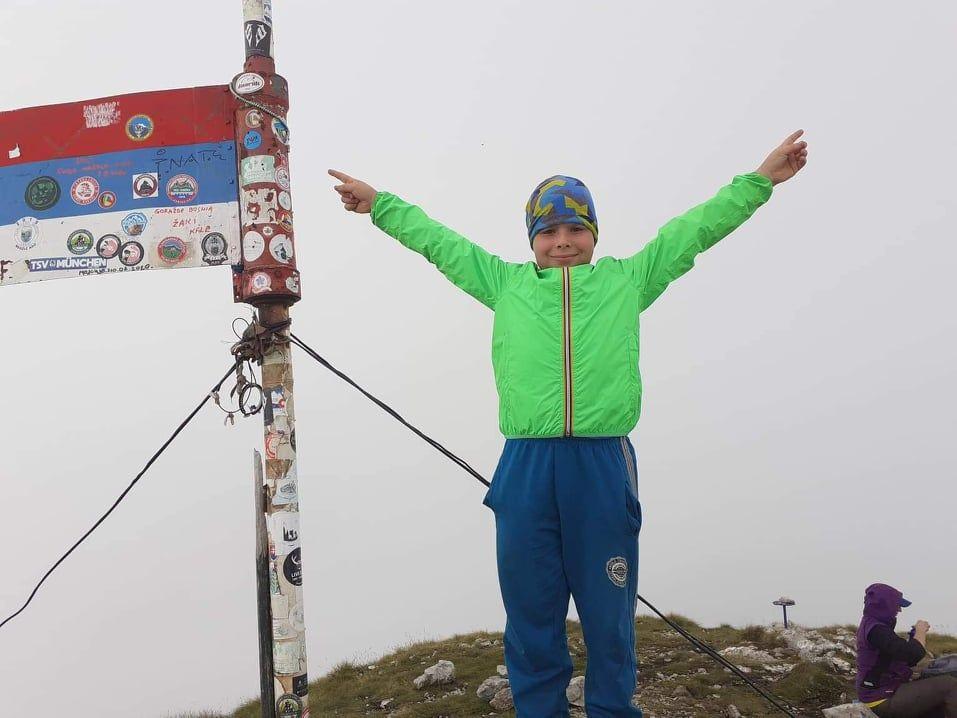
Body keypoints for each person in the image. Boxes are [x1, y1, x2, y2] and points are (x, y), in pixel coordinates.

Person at [328, 130, 808, 717]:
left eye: (575, 229)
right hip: (526, 466)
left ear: (594, 235)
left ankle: (611, 711)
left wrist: (759, 181)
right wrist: (380, 204)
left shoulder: (627, 281)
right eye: (548, 231)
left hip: (602, 464)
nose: (562, 242)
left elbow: (694, 231)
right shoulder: (504, 284)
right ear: (532, 240)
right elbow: (439, 243)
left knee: (609, 618)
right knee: (531, 614)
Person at [856, 583, 957, 717]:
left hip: (884, 691)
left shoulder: (874, 626)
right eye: (897, 604)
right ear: (885, 604)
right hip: (880, 699)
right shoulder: (876, 630)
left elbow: (900, 657)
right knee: (950, 685)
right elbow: (913, 655)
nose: (899, 610)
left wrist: (913, 638)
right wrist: (920, 631)